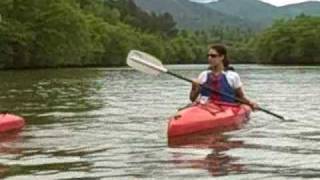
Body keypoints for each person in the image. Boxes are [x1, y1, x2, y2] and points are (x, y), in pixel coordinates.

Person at [189, 44, 258, 110]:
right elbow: (192, 99)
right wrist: (194, 87)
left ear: (222, 57)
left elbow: (240, 97)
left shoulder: (232, 76)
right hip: (205, 107)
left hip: (226, 108)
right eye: (208, 56)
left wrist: (250, 103)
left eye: (213, 56)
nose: (209, 58)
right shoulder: (203, 75)